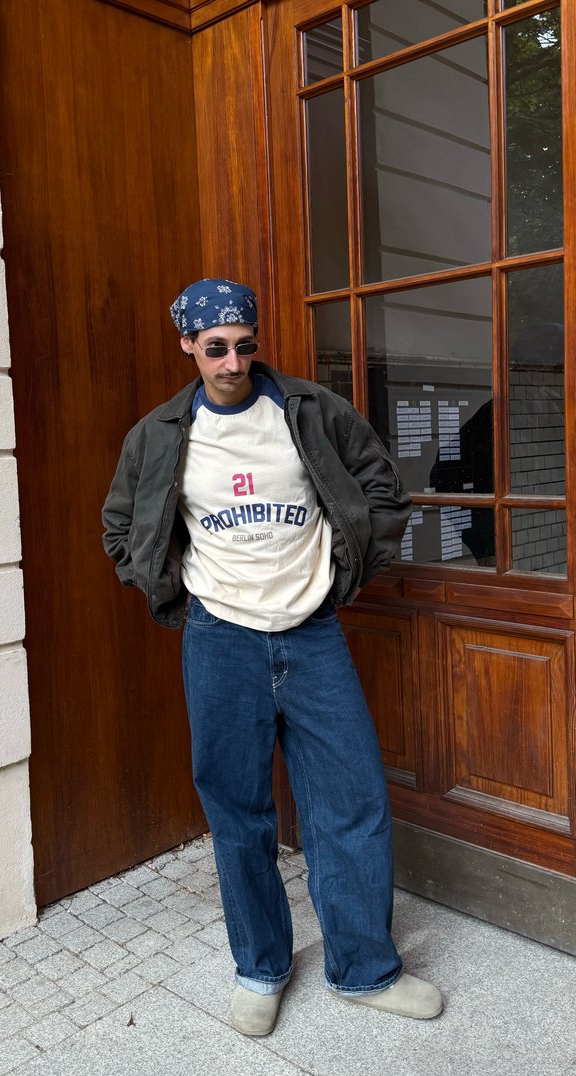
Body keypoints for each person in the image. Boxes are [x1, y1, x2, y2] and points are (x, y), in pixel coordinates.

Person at [102, 278, 442, 1035]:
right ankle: (260, 966)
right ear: (188, 344)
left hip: (312, 632)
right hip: (220, 639)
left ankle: (364, 967)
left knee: (352, 798)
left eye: (244, 344)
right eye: (214, 346)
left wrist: (343, 570)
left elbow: (382, 486)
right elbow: (120, 525)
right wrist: (169, 579)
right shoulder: (160, 433)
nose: (232, 361)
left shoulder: (308, 412)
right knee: (239, 810)